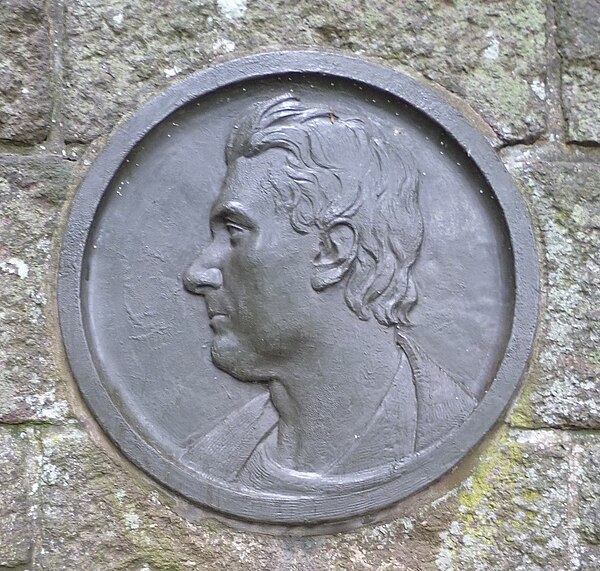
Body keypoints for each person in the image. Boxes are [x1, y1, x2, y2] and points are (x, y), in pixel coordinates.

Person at [181, 94, 476, 493]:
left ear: (332, 252)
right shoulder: (213, 459)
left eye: (235, 233)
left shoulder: (446, 428)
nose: (197, 273)